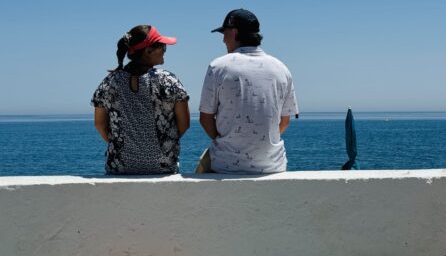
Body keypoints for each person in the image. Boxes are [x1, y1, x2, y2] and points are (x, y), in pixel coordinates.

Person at [199, 9, 298, 174]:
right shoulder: (281, 68)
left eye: (224, 33)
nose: (223, 39)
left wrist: (227, 142)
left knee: (202, 165)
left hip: (226, 165)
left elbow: (205, 119)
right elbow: (284, 121)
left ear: (235, 33)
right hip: (272, 166)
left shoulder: (218, 67)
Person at [91, 25, 190, 175]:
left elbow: (99, 125)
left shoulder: (109, 82)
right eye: (163, 46)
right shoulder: (168, 81)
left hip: (120, 168)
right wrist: (164, 144)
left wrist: (121, 144)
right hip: (162, 167)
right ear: (148, 51)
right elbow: (184, 124)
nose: (164, 50)